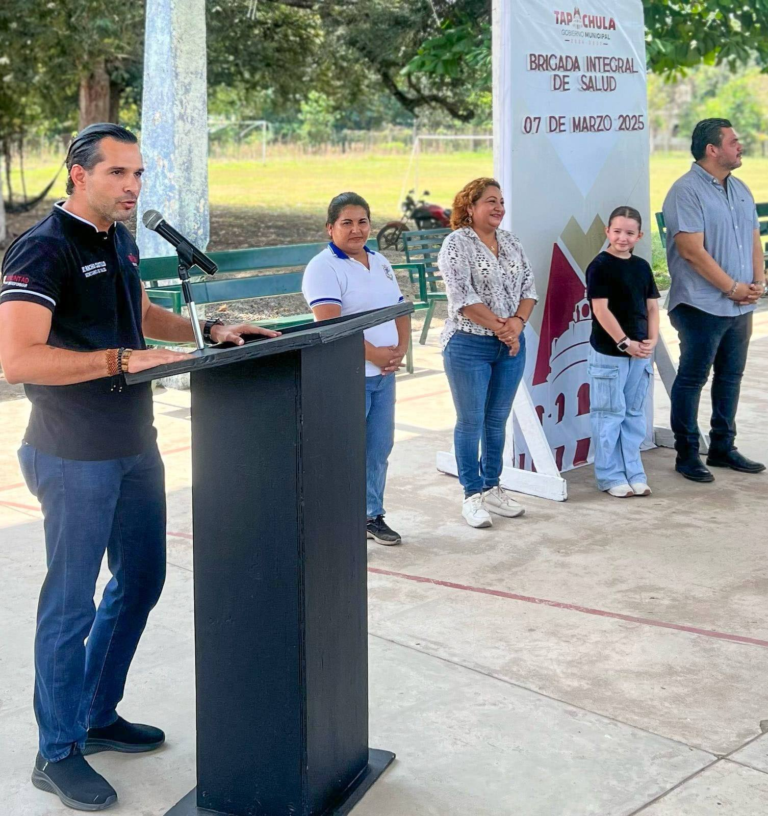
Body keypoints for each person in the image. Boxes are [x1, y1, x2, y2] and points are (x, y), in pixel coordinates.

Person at [0, 123, 279, 811]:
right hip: (71, 452)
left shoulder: (119, 239)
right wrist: (120, 361)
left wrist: (210, 330)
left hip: (134, 444)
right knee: (70, 604)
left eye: (137, 174)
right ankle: (56, 749)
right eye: (118, 173)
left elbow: (142, 313)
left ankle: (96, 711)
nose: (131, 186)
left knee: (142, 579)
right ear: (78, 174)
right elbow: (17, 358)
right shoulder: (42, 248)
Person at [301, 192, 411, 546]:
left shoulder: (379, 261)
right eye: (346, 223)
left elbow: (399, 309)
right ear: (330, 228)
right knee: (343, 449)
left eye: (362, 221)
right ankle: (335, 522)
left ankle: (371, 515)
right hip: (348, 376)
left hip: (383, 374)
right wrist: (373, 354)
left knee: (378, 448)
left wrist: (399, 350)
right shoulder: (323, 268)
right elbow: (330, 327)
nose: (356, 229)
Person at [662, 118, 766, 482]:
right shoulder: (685, 191)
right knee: (693, 378)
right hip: (700, 303)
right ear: (713, 149)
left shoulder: (740, 190)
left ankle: (723, 447)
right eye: (733, 141)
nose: (740, 146)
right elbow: (691, 251)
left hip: (740, 303)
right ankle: (687, 452)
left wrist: (758, 281)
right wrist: (732, 288)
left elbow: (753, 237)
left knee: (731, 376)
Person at [438, 178, 538, 529]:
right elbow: (462, 298)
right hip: (468, 345)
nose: (498, 208)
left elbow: (529, 288)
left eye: (501, 202)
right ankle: (472, 495)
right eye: (490, 201)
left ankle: (493, 486)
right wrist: (504, 329)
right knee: (471, 421)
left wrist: (518, 325)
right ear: (470, 207)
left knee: (497, 420)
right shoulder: (456, 244)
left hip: (511, 343)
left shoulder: (511, 242)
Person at [587, 206, 660, 498]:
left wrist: (651, 340)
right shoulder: (600, 265)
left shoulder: (641, 266)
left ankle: (635, 472)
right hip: (609, 353)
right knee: (608, 414)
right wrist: (623, 342)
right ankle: (610, 475)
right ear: (607, 232)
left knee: (633, 414)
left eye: (629, 233)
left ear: (639, 235)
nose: (622, 237)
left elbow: (652, 305)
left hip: (640, 354)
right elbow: (600, 309)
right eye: (616, 231)